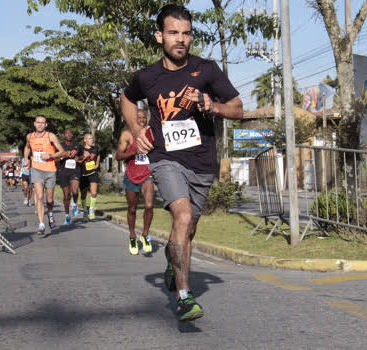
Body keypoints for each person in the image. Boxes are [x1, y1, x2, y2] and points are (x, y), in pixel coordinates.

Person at [120, 4, 243, 322]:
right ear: (160, 36)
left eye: (186, 33)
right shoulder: (146, 77)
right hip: (165, 159)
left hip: (202, 162)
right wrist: (137, 131)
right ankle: (185, 298)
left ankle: (172, 262)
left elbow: (237, 108)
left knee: (187, 230)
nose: (181, 39)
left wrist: (210, 105)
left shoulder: (207, 70)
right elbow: (126, 97)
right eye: (173, 32)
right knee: (183, 215)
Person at [116, 109, 154, 255]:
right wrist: (133, 152)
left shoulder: (150, 133)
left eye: (144, 117)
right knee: (132, 209)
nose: (142, 120)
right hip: (131, 175)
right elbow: (118, 155)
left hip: (147, 175)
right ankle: (132, 236)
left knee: (149, 206)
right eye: (139, 117)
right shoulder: (127, 134)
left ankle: (145, 234)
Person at [23, 115, 65, 234]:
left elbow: (62, 152)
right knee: (39, 196)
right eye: (38, 122)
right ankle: (41, 223)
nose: (40, 124)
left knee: (49, 199)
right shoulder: (29, 136)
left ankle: (50, 213)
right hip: (36, 169)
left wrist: (50, 156)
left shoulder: (50, 136)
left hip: (50, 170)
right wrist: (26, 158)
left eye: (43, 123)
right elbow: (26, 148)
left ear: (46, 125)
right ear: (34, 124)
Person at [57, 129, 82, 225]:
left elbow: (82, 156)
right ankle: (67, 215)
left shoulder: (77, 145)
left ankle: (75, 204)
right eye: (67, 133)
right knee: (66, 195)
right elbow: (55, 159)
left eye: (71, 133)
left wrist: (78, 158)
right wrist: (63, 156)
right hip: (64, 172)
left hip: (75, 171)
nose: (69, 135)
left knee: (75, 191)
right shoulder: (60, 146)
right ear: (63, 135)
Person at [79, 133, 100, 221]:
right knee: (83, 194)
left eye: (92, 138)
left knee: (94, 193)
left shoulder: (95, 149)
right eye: (89, 138)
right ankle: (85, 211)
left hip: (93, 172)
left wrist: (97, 164)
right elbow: (78, 161)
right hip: (83, 174)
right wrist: (85, 157)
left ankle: (91, 209)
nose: (92, 140)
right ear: (85, 140)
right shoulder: (81, 149)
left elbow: (98, 155)